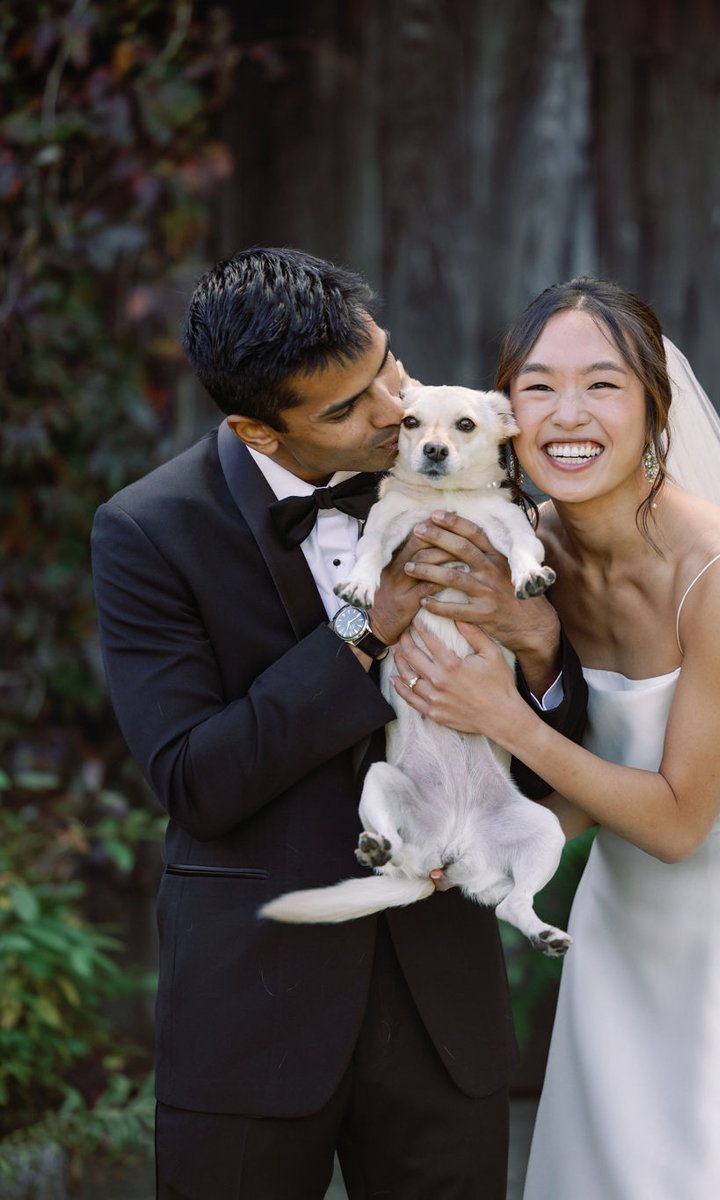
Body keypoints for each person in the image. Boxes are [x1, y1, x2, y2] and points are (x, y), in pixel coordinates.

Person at [90, 247, 587, 1200]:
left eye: (387, 369)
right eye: (346, 407)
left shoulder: (465, 455)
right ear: (258, 431)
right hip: (252, 1009)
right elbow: (198, 778)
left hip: (442, 1000)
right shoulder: (148, 531)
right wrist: (367, 625)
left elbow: (558, 737)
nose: (394, 412)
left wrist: (536, 645)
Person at [392, 277, 720, 1199]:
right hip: (625, 935)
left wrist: (500, 715)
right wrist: (473, 845)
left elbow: (675, 822)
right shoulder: (531, 552)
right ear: (508, 415)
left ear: (656, 407)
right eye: (539, 386)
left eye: (604, 384)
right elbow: (595, 776)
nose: (568, 414)